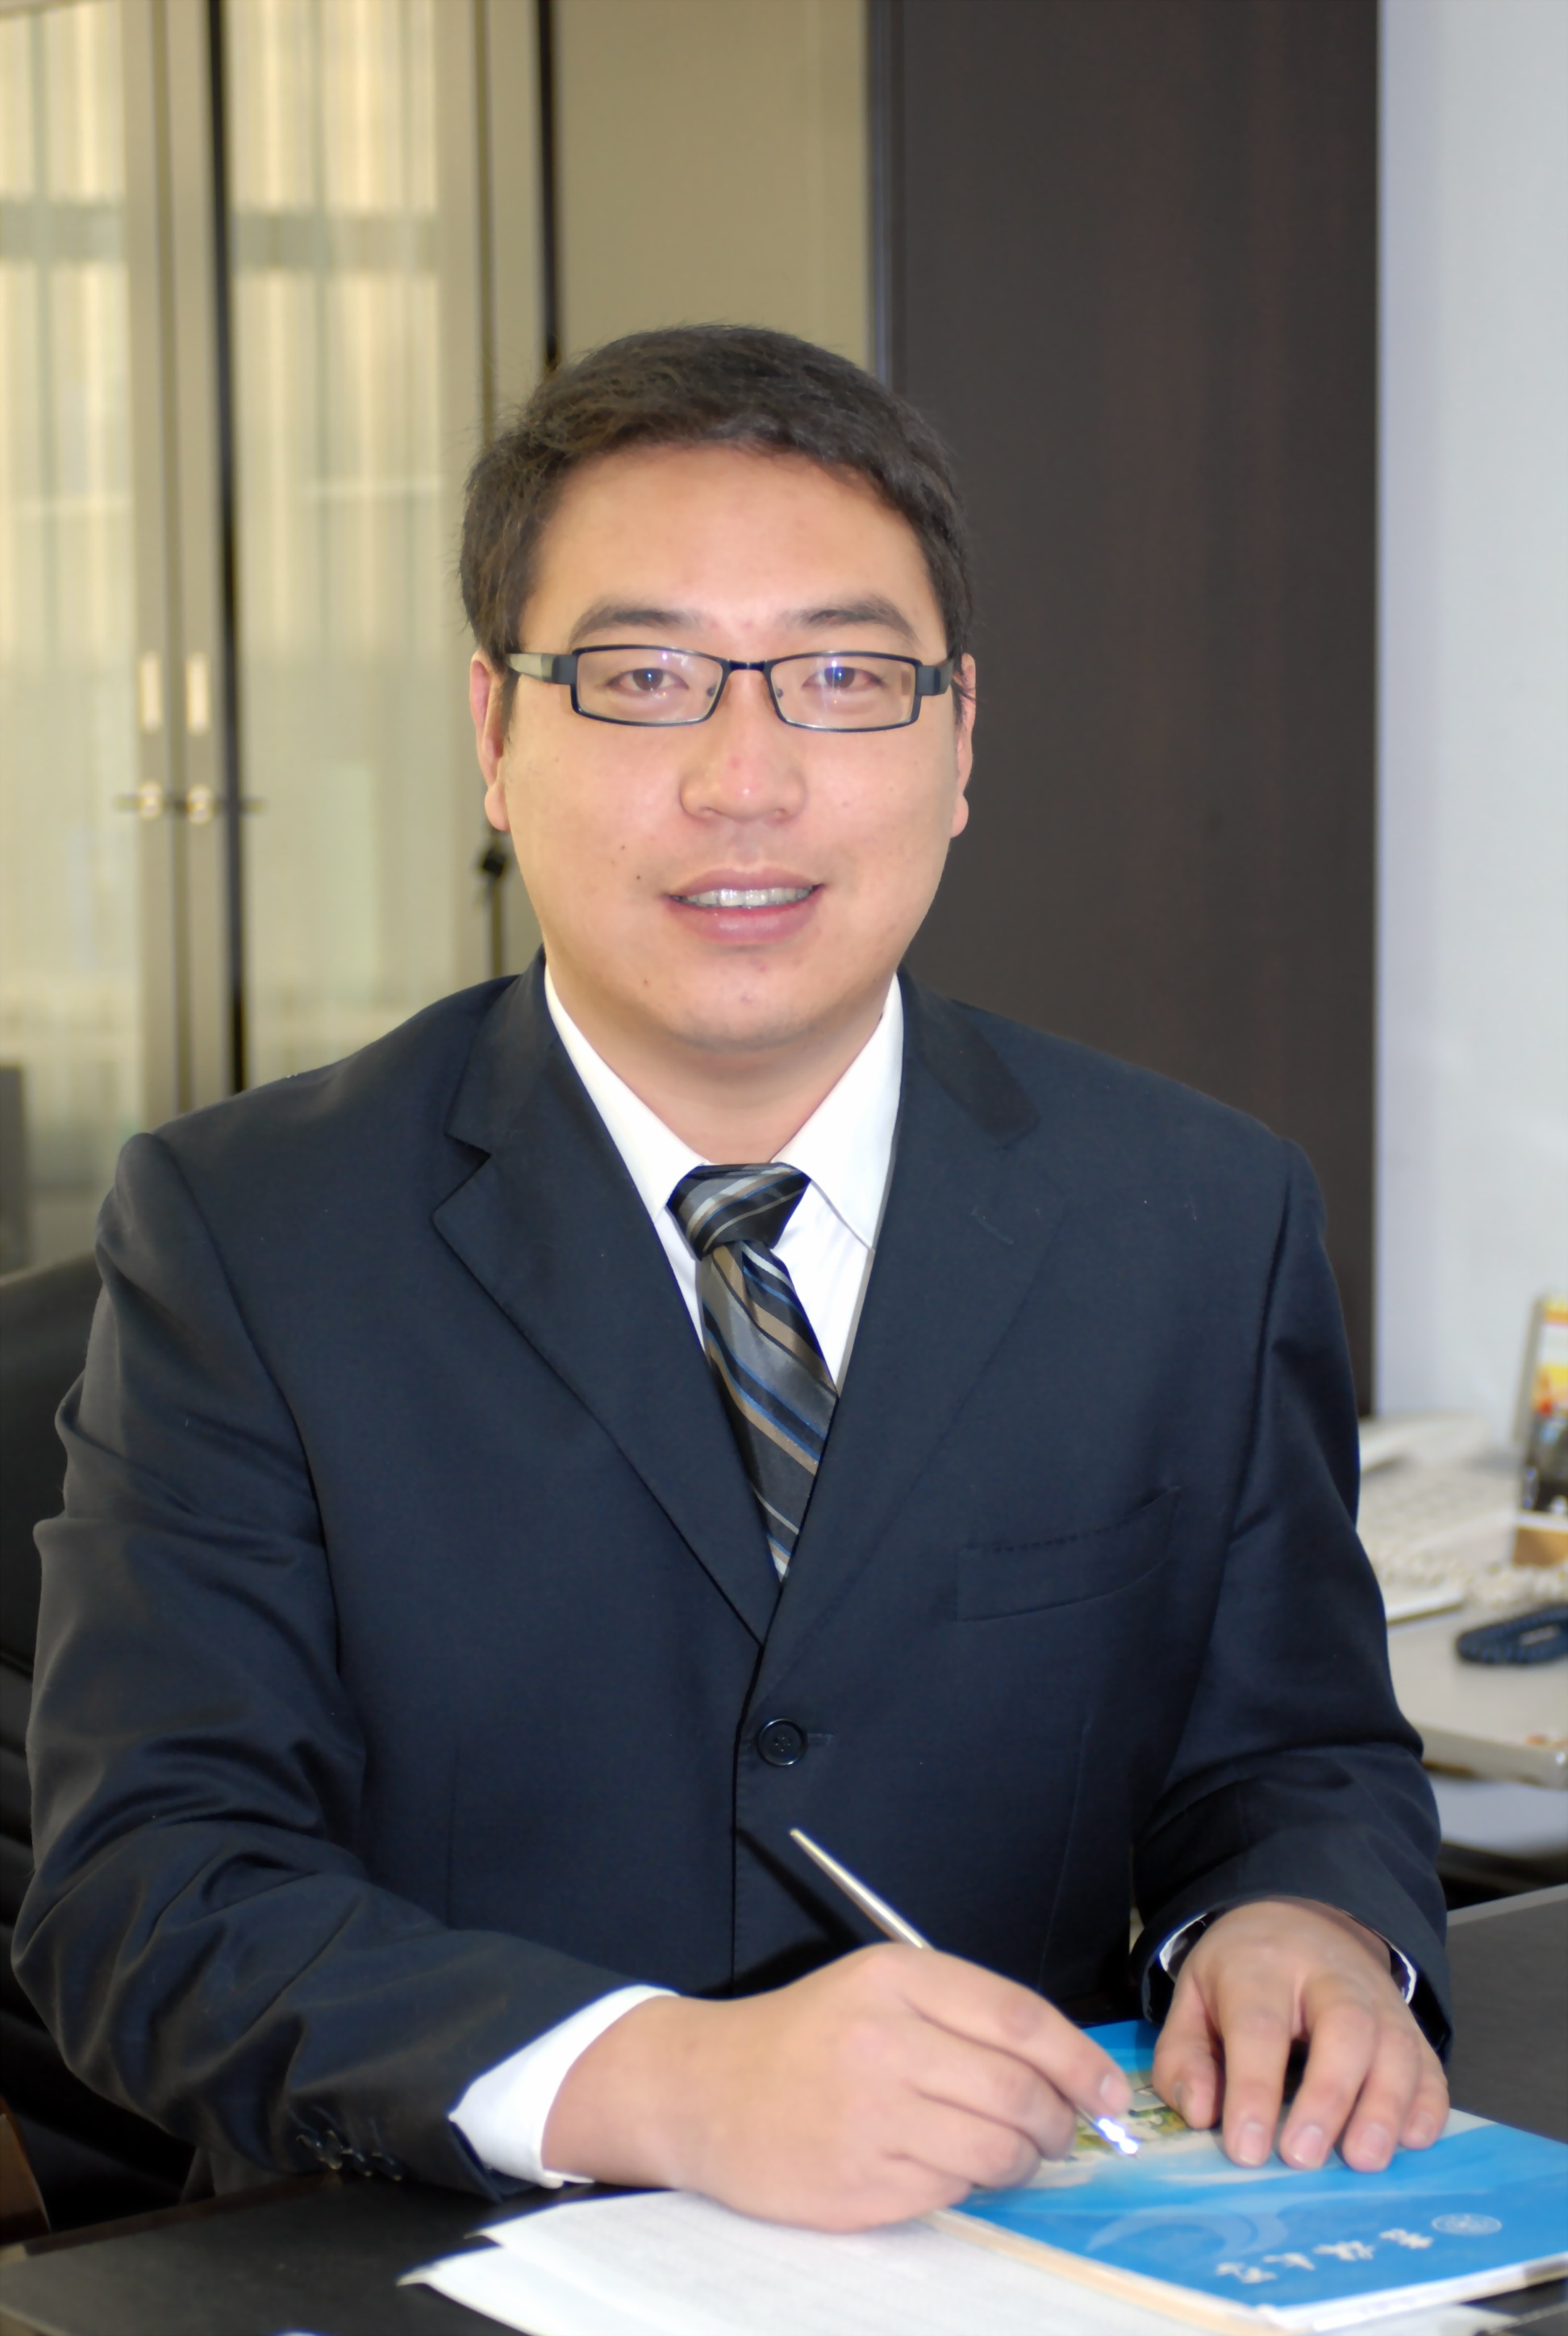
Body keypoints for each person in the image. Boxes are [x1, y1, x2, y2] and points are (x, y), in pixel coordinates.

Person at [17, 326, 1450, 2230]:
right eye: (645, 677)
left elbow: (1291, 1748)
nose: (746, 777)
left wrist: (1302, 1916)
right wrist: (665, 2079)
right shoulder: (250, 1231)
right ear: (495, 734)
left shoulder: (1195, 1212)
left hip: (1017, 2248)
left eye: (844, 677)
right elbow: (150, 1896)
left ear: (960, 736)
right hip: (428, 2254)